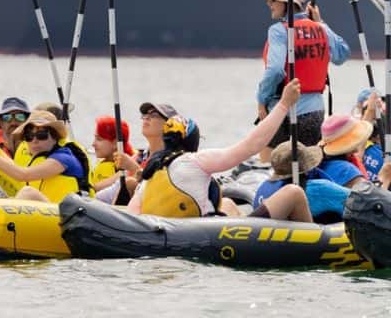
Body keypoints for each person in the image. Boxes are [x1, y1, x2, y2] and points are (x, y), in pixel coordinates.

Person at [128, 79, 312, 219]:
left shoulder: (147, 177)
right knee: (293, 193)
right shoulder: (194, 161)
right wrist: (284, 104)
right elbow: (251, 145)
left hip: (171, 235)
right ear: (192, 141)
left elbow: (131, 218)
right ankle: (319, 246)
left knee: (228, 203)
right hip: (208, 238)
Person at [254, 0, 349, 148]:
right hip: (315, 115)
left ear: (286, 2)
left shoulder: (278, 31)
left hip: (283, 114)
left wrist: (261, 100)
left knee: (276, 165)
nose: (268, 3)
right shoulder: (320, 28)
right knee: (308, 164)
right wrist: (320, 23)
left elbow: (275, 70)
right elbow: (341, 55)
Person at [0, 110, 91, 202]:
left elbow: (23, 175)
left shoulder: (64, 158)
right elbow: (14, 168)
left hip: (63, 218)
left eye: (41, 135)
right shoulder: (35, 159)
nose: (35, 141)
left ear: (55, 137)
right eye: (29, 136)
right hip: (40, 215)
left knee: (28, 192)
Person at [252, 140, 370, 223]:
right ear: (308, 167)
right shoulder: (319, 189)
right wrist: (384, 179)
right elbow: (365, 202)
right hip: (308, 247)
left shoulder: (263, 187)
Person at [91, 114, 141, 200]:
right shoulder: (105, 163)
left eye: (99, 139)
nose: (93, 144)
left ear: (115, 143)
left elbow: (93, 189)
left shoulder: (124, 168)